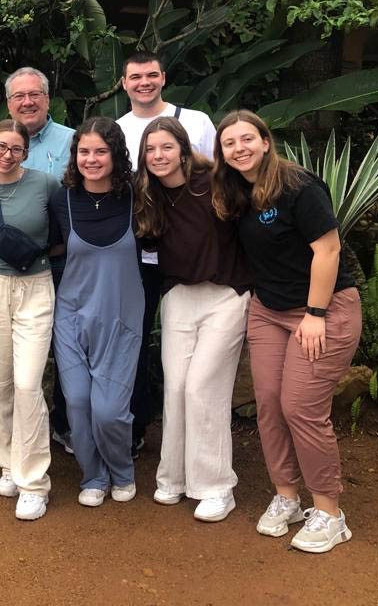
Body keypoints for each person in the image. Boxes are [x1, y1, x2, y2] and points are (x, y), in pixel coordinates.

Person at [212, 110, 361, 553]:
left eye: (246, 139)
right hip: (268, 311)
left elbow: (328, 249)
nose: (239, 148)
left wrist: (315, 312)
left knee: (302, 408)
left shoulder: (299, 186)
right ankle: (287, 497)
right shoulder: (234, 189)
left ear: (264, 140)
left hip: (323, 309)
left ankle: (330, 512)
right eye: (229, 143)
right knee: (270, 406)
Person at [134, 117, 251, 522]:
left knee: (204, 387)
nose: (158, 156)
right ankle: (174, 477)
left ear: (183, 149)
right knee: (178, 388)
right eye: (150, 149)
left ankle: (217, 487)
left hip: (227, 294)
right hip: (180, 296)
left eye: (166, 147)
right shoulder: (149, 196)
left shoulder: (217, 182)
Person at [116, 51, 217, 458]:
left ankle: (196, 432)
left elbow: (220, 180)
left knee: (193, 346)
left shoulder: (196, 122)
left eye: (151, 75)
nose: (144, 82)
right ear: (123, 83)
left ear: (164, 77)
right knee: (135, 338)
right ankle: (136, 425)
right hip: (139, 247)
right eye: (135, 76)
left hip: (192, 256)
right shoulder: (118, 129)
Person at [0, 66, 76, 452]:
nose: (27, 102)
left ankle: (62, 431)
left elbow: (71, 213)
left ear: (48, 99)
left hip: (54, 269)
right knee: (1, 380)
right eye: (19, 96)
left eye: (35, 94)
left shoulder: (70, 142)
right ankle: (8, 457)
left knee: (37, 373)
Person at [49, 117, 144, 507]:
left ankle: (122, 471)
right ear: (75, 156)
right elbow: (51, 251)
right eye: (84, 151)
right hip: (70, 316)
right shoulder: (62, 199)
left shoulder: (137, 196)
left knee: (109, 411)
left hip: (120, 318)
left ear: (116, 154)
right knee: (77, 403)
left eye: (100, 151)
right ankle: (93, 475)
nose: (92, 159)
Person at [0, 120, 58, 521]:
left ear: (26, 152)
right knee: (0, 382)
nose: (7, 155)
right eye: (0, 147)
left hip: (37, 287)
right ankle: (8, 463)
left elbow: (63, 232)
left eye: (16, 149)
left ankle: (34, 480)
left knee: (27, 385)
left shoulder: (45, 184)